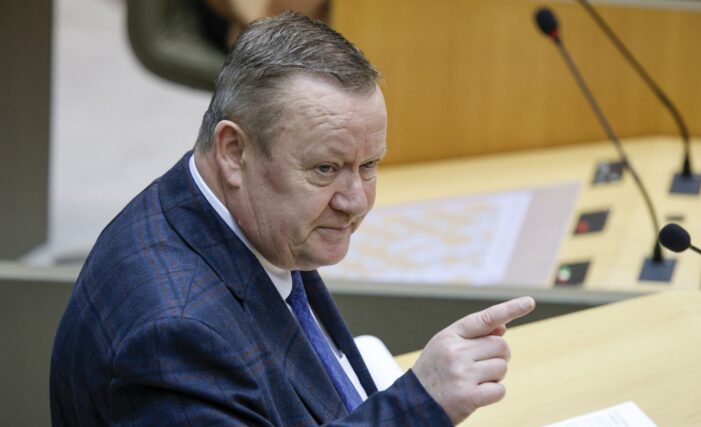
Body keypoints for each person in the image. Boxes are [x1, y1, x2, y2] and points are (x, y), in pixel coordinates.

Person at [50, 12, 535, 426]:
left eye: (369, 165)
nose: (355, 201)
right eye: (325, 169)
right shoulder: (176, 335)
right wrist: (417, 405)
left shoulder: (233, 214)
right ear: (233, 152)